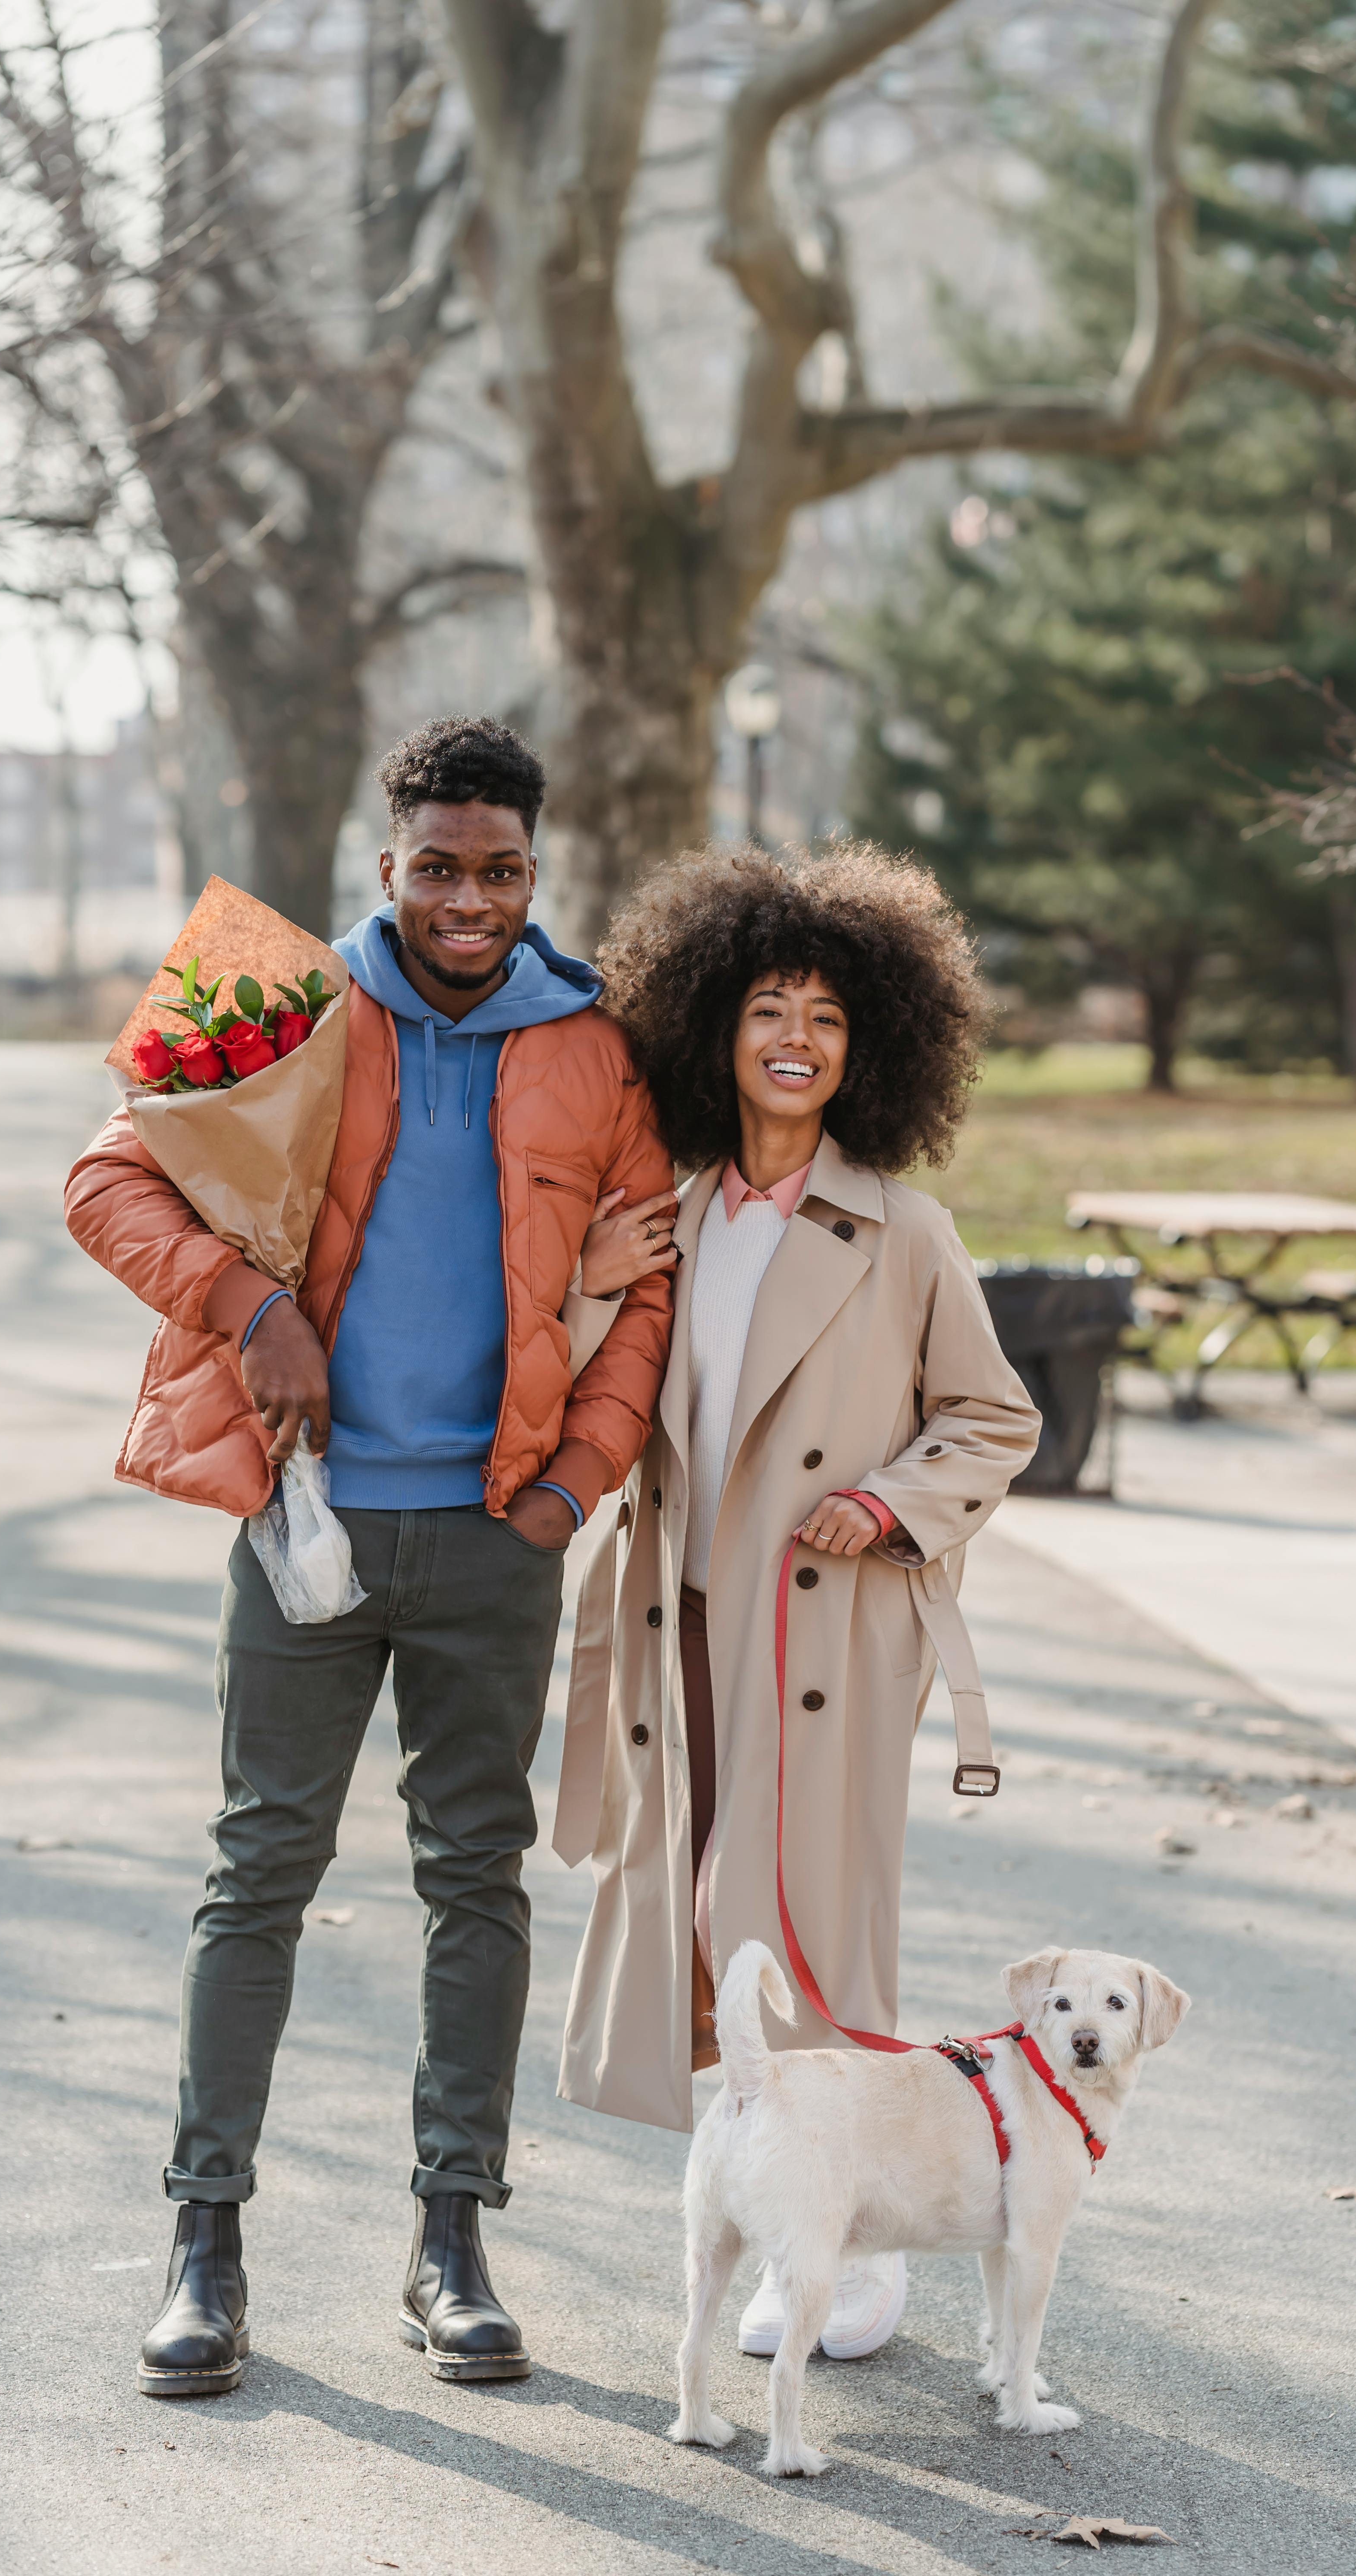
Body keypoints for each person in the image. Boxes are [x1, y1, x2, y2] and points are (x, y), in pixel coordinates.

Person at [64, 717, 676, 2397]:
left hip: (497, 1536)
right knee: (258, 1874)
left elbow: (654, 1291)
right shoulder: (271, 994)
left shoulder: (598, 1046)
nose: (467, 899)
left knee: (472, 1881)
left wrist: (573, 1488)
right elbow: (106, 1184)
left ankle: (451, 2243)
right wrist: (249, 1302)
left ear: (533, 873)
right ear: (386, 864)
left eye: (499, 871)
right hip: (303, 1520)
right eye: (436, 867)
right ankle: (204, 2247)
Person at [552, 844, 1041, 2365]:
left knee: (810, 1931)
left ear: (868, 1049)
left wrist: (890, 1502)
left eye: (830, 1016)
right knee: (700, 1945)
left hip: (822, 1634)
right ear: (716, 1028)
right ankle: (770, 2213)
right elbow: (582, 1394)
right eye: (770, 1004)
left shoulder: (904, 1230)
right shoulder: (669, 1217)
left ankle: (852, 2246)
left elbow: (992, 1416)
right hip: (672, 1628)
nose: (798, 1036)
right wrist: (585, 1280)